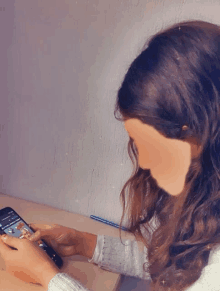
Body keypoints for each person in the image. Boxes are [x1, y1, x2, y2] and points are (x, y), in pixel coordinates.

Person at [1, 19, 220, 291]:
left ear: (195, 135)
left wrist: (48, 276)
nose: (143, 161)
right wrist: (86, 243)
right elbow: (178, 264)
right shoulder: (206, 199)